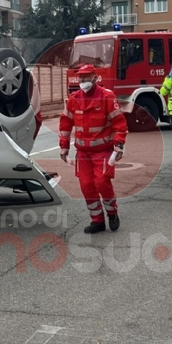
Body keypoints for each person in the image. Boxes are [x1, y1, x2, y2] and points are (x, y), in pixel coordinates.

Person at [59, 64, 127, 233]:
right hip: (83, 153)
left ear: (95, 78)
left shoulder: (106, 97)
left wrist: (118, 144)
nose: (83, 80)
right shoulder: (74, 99)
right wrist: (64, 146)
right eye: (81, 77)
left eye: (87, 77)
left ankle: (112, 213)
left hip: (103, 151)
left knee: (102, 183)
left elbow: (119, 123)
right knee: (87, 186)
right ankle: (97, 220)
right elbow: (66, 124)